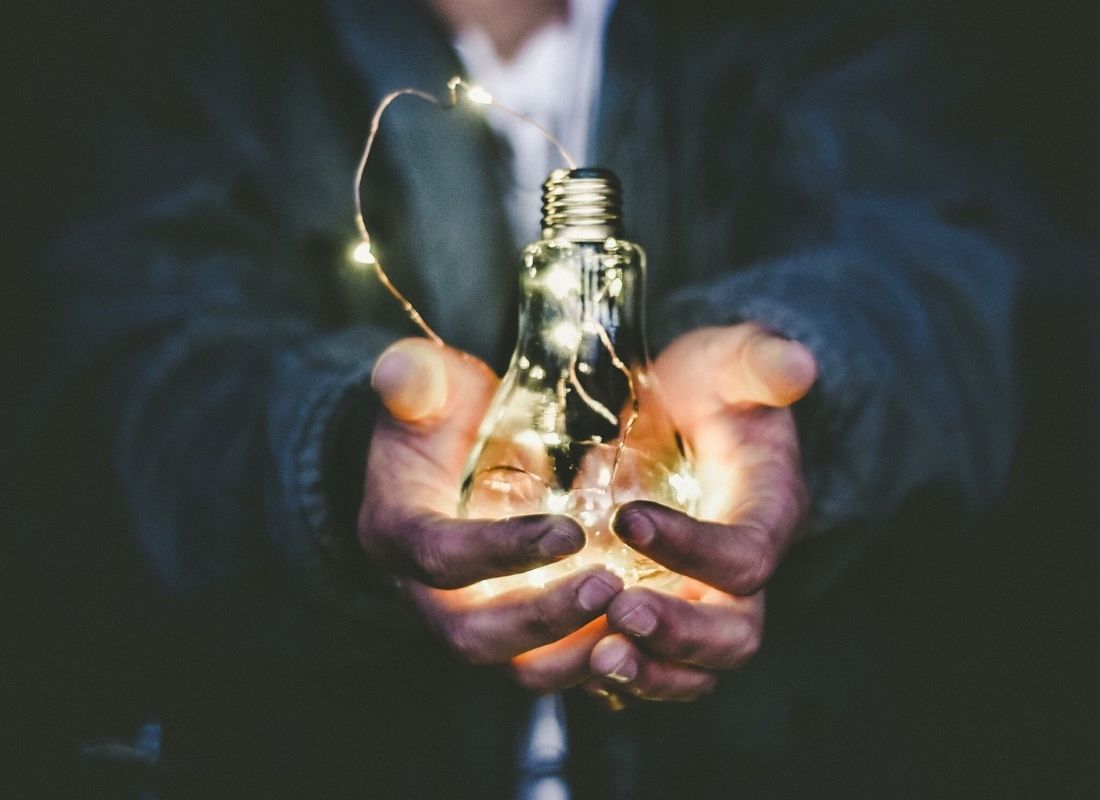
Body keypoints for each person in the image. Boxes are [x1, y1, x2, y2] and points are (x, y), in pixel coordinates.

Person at [10, 0, 1063, 796]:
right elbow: (109, 357)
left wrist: (804, 381)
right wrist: (333, 462)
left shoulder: (804, 31)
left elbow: (947, 265)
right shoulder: (211, 49)